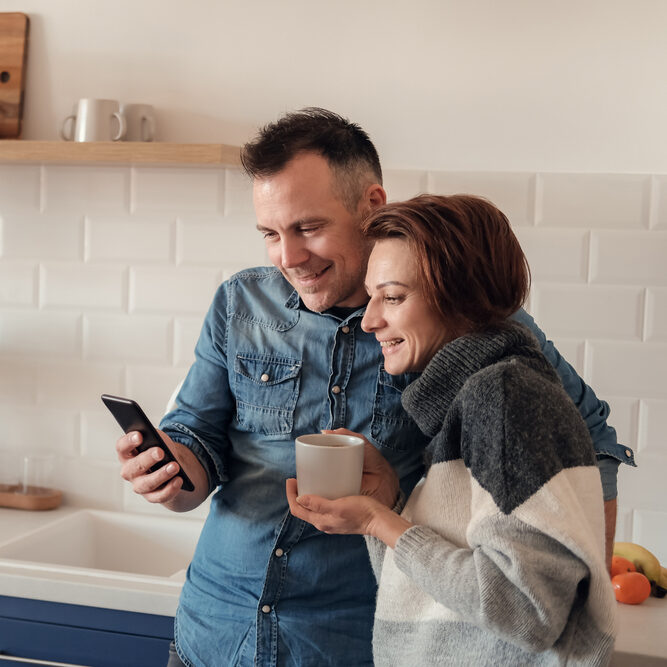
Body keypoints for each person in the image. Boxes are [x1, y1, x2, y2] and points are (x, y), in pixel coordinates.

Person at [115, 108, 631, 667]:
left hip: (350, 644)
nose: (288, 257)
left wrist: (584, 618)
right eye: (270, 233)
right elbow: (198, 439)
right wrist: (171, 473)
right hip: (212, 634)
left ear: (372, 205)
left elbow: (591, 439)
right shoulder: (241, 304)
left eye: (309, 228)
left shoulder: (461, 320)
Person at [287, 194, 617, 665]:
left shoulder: (504, 395)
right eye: (372, 295)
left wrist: (380, 522)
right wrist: (387, 507)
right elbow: (435, 605)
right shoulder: (468, 400)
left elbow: (529, 612)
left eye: (394, 297)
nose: (369, 319)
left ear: (460, 297)